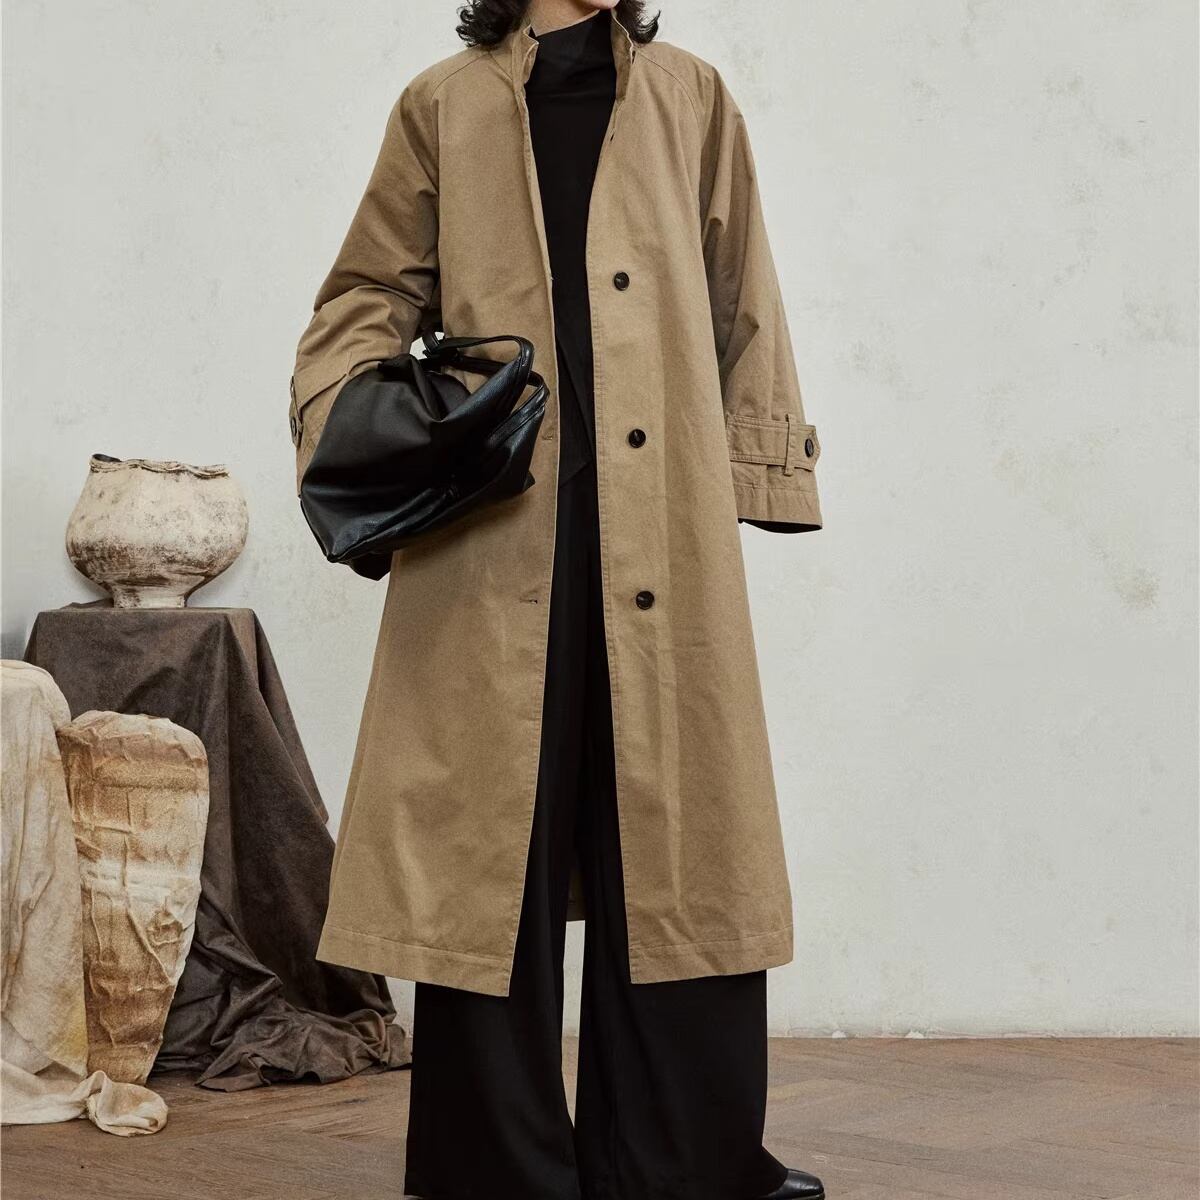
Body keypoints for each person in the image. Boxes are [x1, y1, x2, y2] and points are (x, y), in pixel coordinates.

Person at [288, 1, 826, 1197]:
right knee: (493, 858)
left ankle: (680, 1161)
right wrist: (363, 424)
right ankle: (499, 1167)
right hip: (495, 534)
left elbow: (745, 295)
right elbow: (363, 295)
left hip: (663, 522)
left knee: (678, 841)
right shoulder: (442, 104)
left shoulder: (690, 94)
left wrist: (762, 467)